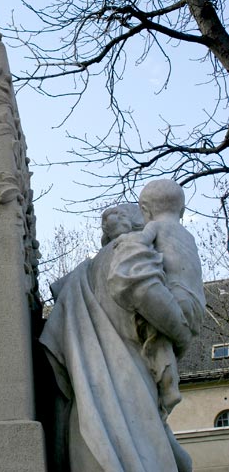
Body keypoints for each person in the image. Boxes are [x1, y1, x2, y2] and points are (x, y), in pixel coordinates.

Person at [40, 202, 195, 472]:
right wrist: (181, 334)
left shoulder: (79, 276)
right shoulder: (131, 250)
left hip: (87, 401)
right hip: (127, 390)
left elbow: (55, 350)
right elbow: (143, 289)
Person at [115, 180, 205, 417]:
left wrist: (125, 241)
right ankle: (169, 382)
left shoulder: (155, 227)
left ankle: (168, 387)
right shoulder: (188, 236)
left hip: (174, 295)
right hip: (196, 302)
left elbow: (142, 242)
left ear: (145, 210)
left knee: (155, 335)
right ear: (182, 211)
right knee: (175, 344)